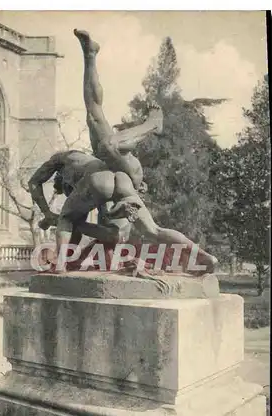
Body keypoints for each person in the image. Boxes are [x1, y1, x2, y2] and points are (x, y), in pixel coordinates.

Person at [28, 30, 217, 274]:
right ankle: (204, 257)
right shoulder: (88, 166)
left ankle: (61, 265)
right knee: (154, 230)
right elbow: (114, 233)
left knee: (68, 215)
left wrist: (49, 213)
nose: (69, 194)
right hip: (125, 178)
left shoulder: (65, 160)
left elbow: (35, 182)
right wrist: (113, 213)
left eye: (65, 190)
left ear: (62, 179)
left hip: (115, 177)